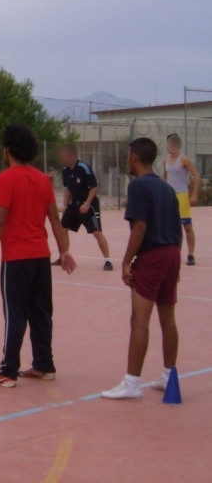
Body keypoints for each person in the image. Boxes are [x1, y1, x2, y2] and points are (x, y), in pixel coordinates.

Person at [0, 125, 76, 388]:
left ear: (8, 149)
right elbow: (55, 218)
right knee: (41, 312)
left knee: (15, 313)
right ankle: (45, 364)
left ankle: (8, 370)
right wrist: (64, 250)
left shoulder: (5, 179)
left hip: (16, 258)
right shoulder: (41, 180)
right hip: (40, 257)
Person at [102, 137, 182, 400]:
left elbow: (140, 227)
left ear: (134, 157)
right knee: (167, 318)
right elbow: (176, 225)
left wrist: (126, 261)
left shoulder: (138, 187)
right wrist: (177, 260)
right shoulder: (166, 188)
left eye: (128, 156)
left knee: (139, 320)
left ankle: (132, 382)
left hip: (153, 256)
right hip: (172, 253)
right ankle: (169, 375)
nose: (127, 160)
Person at [54, 144, 114, 271]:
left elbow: (94, 187)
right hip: (74, 206)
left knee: (97, 232)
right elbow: (68, 189)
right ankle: (63, 255)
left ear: (72, 155)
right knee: (63, 229)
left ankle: (108, 260)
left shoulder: (84, 168)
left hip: (89, 205)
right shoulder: (65, 170)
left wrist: (87, 204)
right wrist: (66, 205)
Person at [162, 134, 199, 266]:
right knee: (173, 227)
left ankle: (190, 254)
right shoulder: (165, 161)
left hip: (182, 195)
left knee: (187, 226)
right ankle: (175, 253)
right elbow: (165, 179)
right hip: (170, 196)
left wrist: (194, 195)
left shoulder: (184, 159)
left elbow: (196, 176)